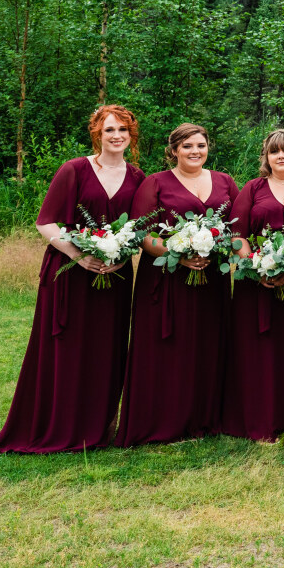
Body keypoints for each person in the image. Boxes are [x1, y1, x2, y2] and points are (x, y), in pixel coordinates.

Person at [0, 105, 145, 454]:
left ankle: (98, 428)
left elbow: (139, 228)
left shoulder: (138, 177)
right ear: (97, 134)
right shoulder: (74, 170)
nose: (116, 136)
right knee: (68, 349)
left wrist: (120, 259)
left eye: (122, 130)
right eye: (109, 130)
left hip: (115, 277)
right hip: (70, 274)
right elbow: (47, 223)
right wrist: (80, 256)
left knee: (106, 349)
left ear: (131, 135)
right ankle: (58, 425)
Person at [116, 123, 239, 446]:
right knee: (168, 347)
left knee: (206, 344)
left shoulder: (225, 182)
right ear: (173, 151)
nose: (195, 151)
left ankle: (206, 416)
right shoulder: (155, 183)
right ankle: (163, 420)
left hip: (211, 280)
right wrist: (176, 252)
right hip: (166, 278)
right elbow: (142, 232)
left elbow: (237, 229)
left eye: (200, 145)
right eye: (187, 147)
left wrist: (222, 249)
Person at [220, 128, 284, 442]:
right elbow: (237, 234)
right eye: (275, 151)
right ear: (267, 156)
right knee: (261, 350)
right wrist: (254, 265)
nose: (281, 156)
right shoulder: (253, 188)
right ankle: (261, 417)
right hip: (256, 283)